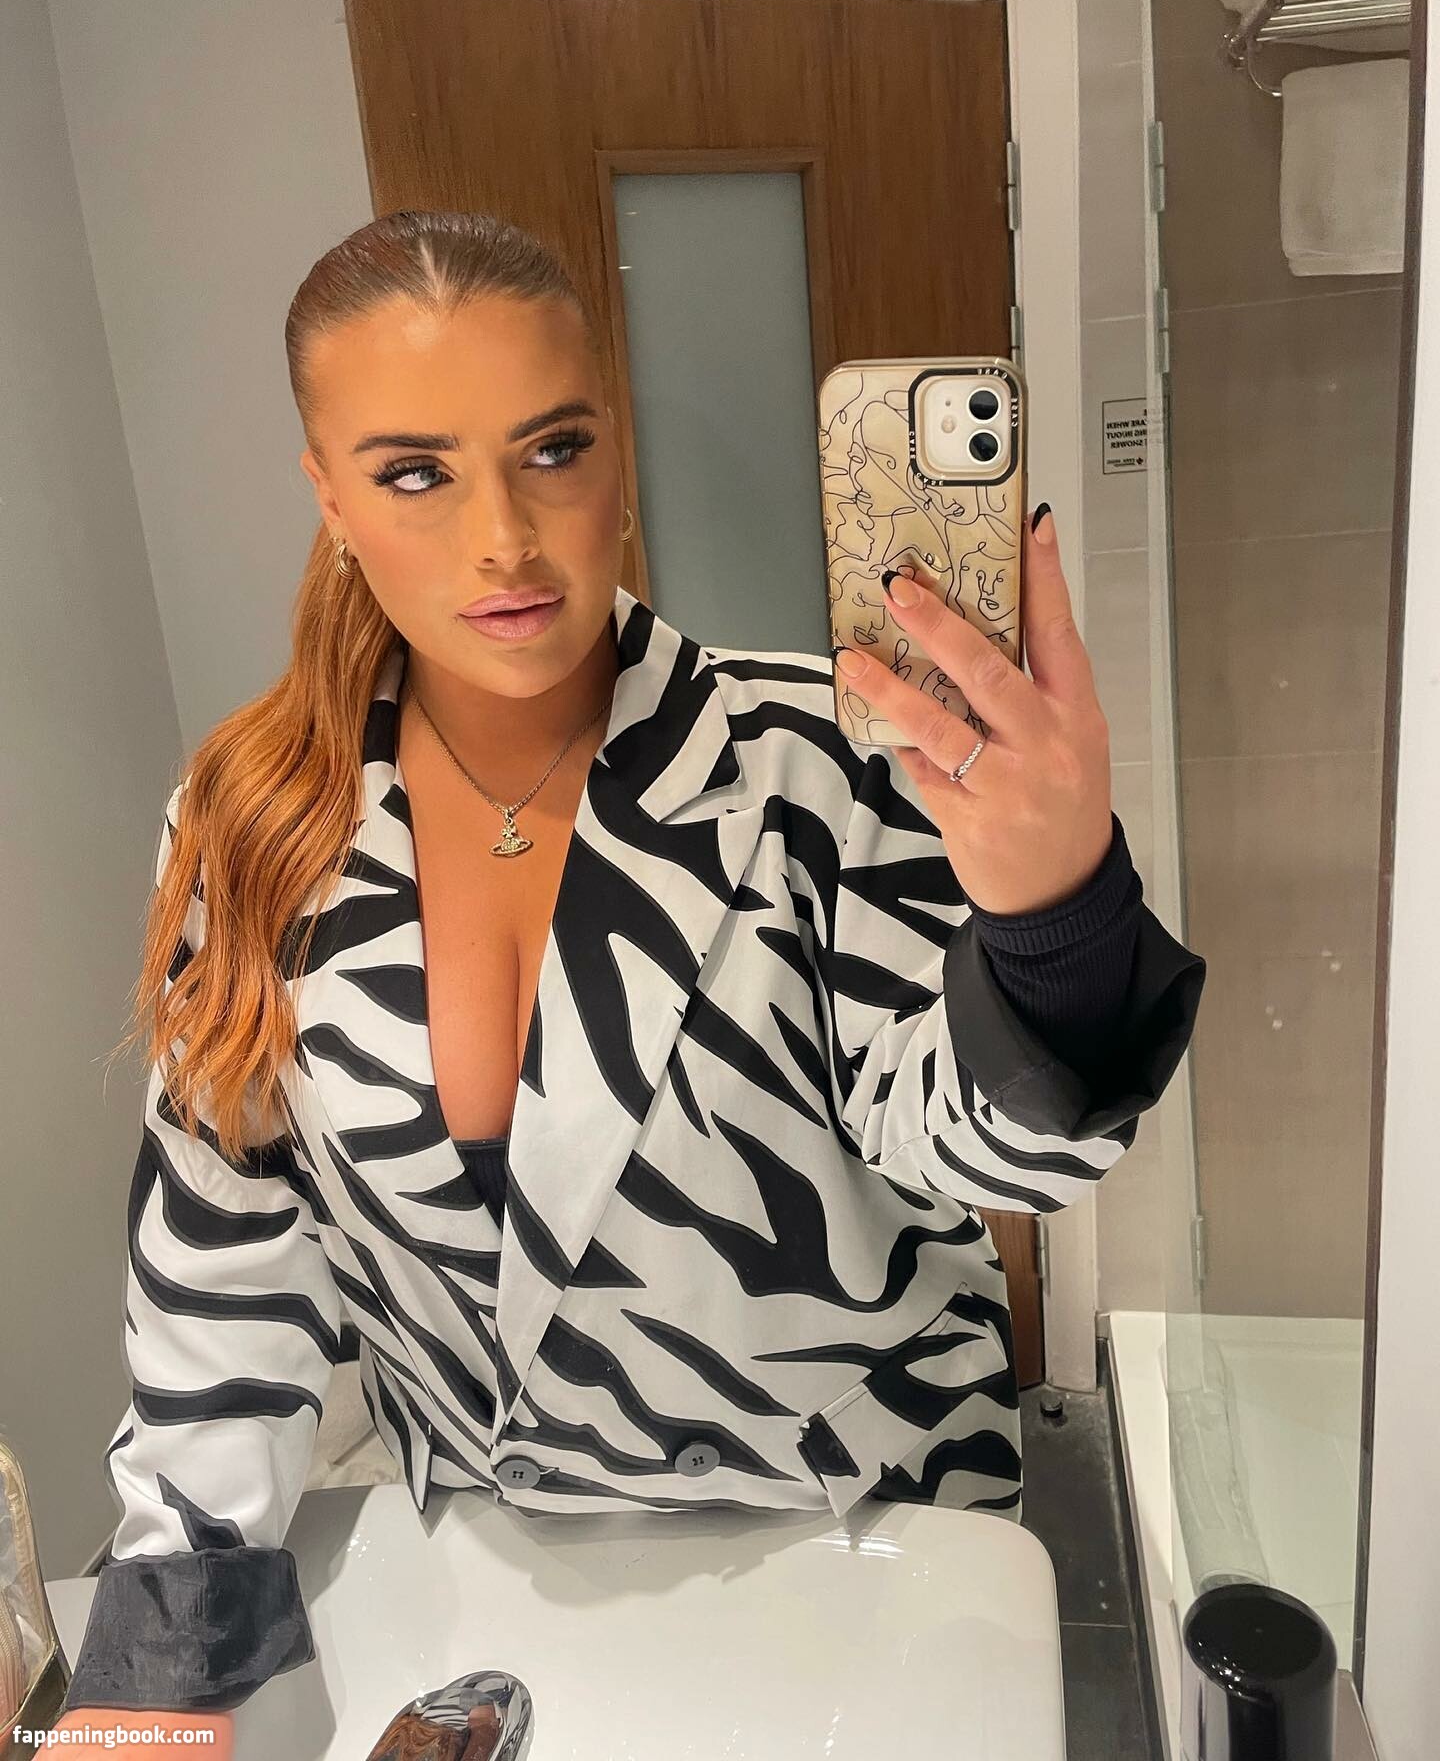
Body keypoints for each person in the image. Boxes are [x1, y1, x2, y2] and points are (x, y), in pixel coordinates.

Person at [53, 209, 1204, 1750]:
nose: (503, 540)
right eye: (416, 473)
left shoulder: (819, 761)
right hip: (491, 1596)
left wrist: (1053, 906)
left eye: (553, 450)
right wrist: (155, 1687)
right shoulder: (250, 827)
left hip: (859, 1553)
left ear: (620, 455)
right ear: (328, 495)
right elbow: (222, 1274)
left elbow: (999, 1159)